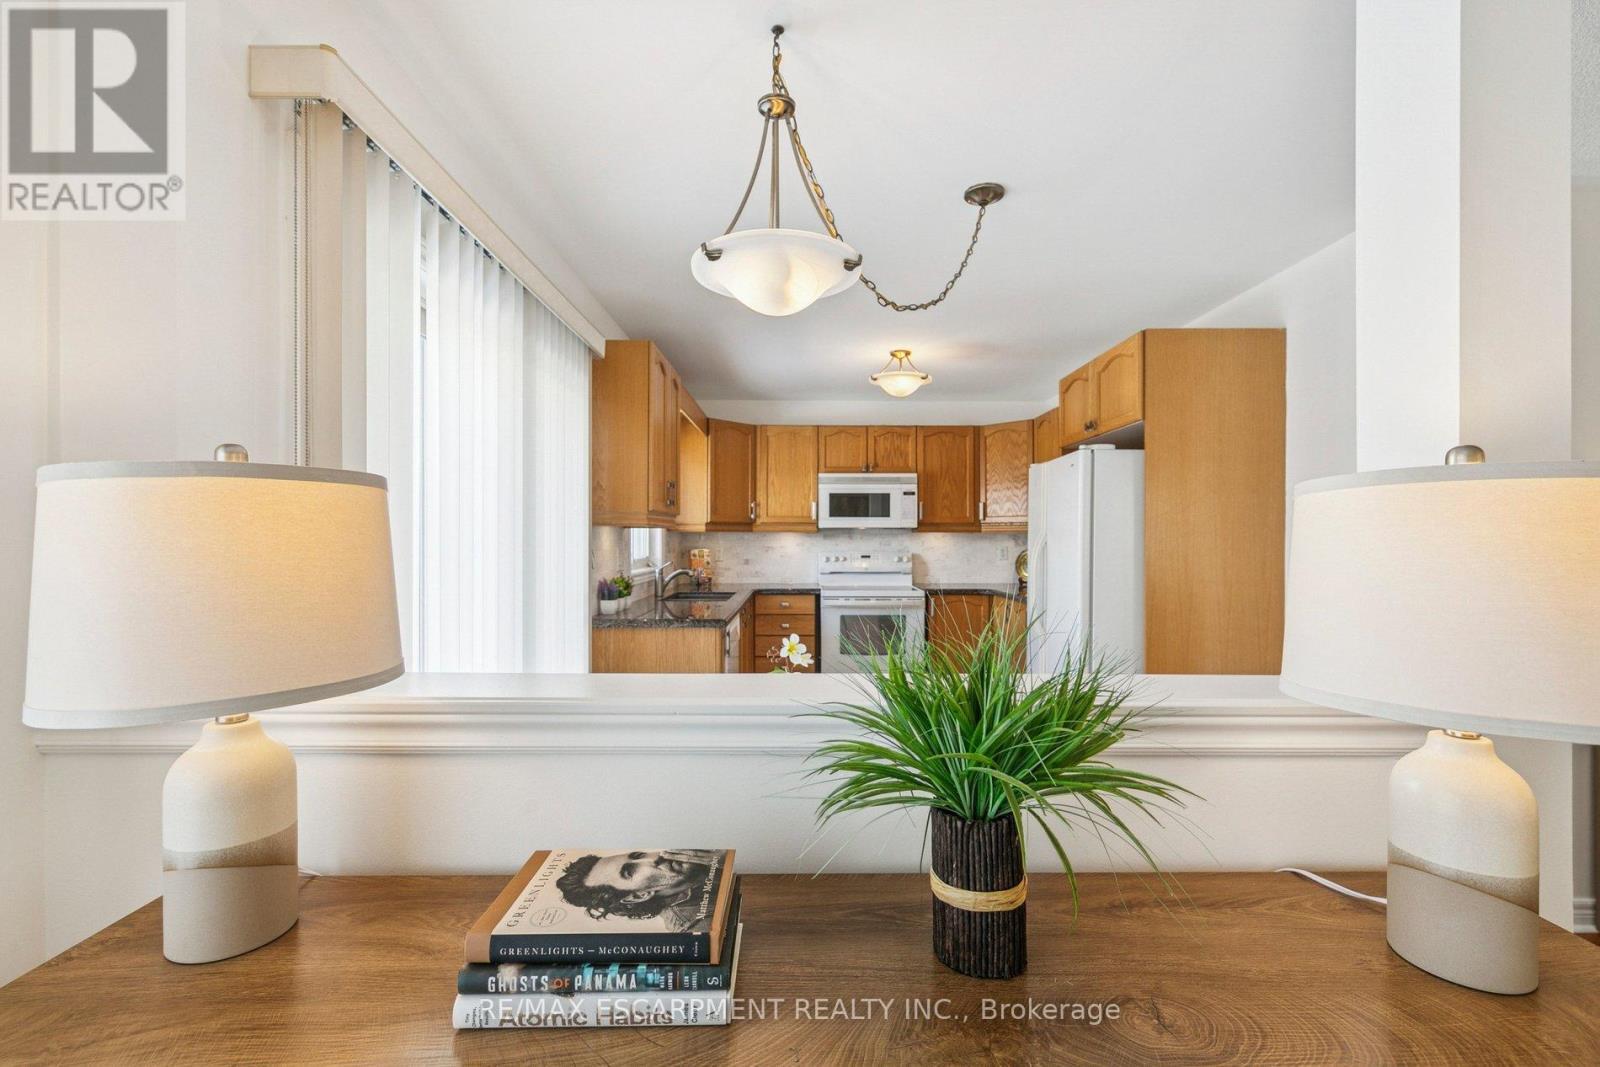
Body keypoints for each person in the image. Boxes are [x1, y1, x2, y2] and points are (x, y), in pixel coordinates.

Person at [555, 849, 722, 931]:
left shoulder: (703, 857)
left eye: (638, 856)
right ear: (638, 896)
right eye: (630, 871)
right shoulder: (697, 926)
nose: (654, 858)